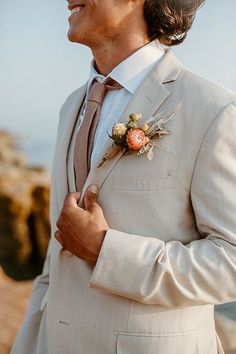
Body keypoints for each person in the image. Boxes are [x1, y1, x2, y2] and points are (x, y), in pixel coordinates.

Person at [11, 1, 236, 353]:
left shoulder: (213, 111)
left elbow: (231, 262)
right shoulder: (71, 106)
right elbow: (55, 263)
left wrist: (105, 250)